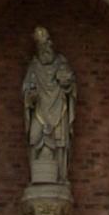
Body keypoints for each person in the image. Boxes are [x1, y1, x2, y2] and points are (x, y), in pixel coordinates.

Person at [23, 26, 77, 184]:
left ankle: (61, 177)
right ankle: (35, 178)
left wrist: (66, 82)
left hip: (58, 107)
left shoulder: (61, 63)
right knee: (34, 137)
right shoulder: (34, 67)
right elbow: (27, 88)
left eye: (46, 44)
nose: (45, 48)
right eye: (41, 45)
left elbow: (70, 82)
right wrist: (30, 96)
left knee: (60, 141)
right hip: (39, 109)